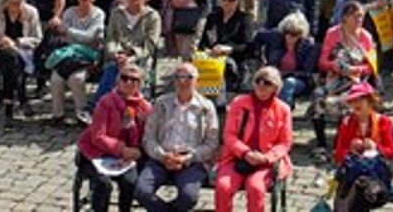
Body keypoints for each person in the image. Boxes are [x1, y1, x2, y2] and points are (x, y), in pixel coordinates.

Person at [136, 62, 220, 212]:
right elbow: (148, 137)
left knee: (189, 197)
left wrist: (187, 158)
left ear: (197, 81)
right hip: (161, 158)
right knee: (142, 191)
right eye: (179, 77)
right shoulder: (161, 103)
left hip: (192, 161)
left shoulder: (206, 107)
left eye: (188, 77)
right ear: (173, 81)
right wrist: (163, 156)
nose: (183, 81)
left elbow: (211, 144)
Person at [217, 66, 293, 212]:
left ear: (275, 88)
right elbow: (229, 135)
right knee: (223, 187)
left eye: (267, 83)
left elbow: (285, 142)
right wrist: (245, 152)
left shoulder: (283, 109)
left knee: (255, 188)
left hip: (266, 162)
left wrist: (266, 157)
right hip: (236, 158)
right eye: (258, 80)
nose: (261, 85)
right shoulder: (238, 103)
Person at [78, 61, 151, 212]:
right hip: (96, 152)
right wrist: (121, 149)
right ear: (118, 81)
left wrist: (138, 149)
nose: (129, 82)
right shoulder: (106, 102)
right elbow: (97, 136)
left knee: (130, 182)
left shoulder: (144, 106)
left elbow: (148, 135)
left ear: (140, 84)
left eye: (134, 79)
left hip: (126, 157)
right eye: (125, 78)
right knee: (103, 184)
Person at [331, 81, 393, 212]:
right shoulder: (347, 123)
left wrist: (376, 147)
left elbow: (392, 151)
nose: (356, 104)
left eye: (360, 99)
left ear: (370, 101)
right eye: (352, 101)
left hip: (375, 177)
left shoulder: (383, 122)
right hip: (352, 174)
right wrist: (350, 149)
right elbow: (339, 155)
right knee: (352, 193)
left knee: (361, 192)